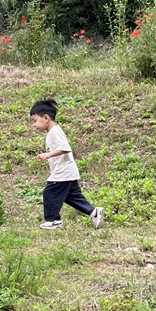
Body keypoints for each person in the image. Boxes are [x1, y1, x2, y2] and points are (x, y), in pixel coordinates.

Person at [30, 96, 103, 231]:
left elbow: (65, 148)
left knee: (49, 192)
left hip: (63, 171)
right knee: (71, 197)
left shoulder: (55, 131)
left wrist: (48, 154)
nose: (34, 125)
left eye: (35, 121)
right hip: (67, 171)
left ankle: (53, 220)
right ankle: (93, 211)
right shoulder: (52, 132)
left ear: (46, 118)